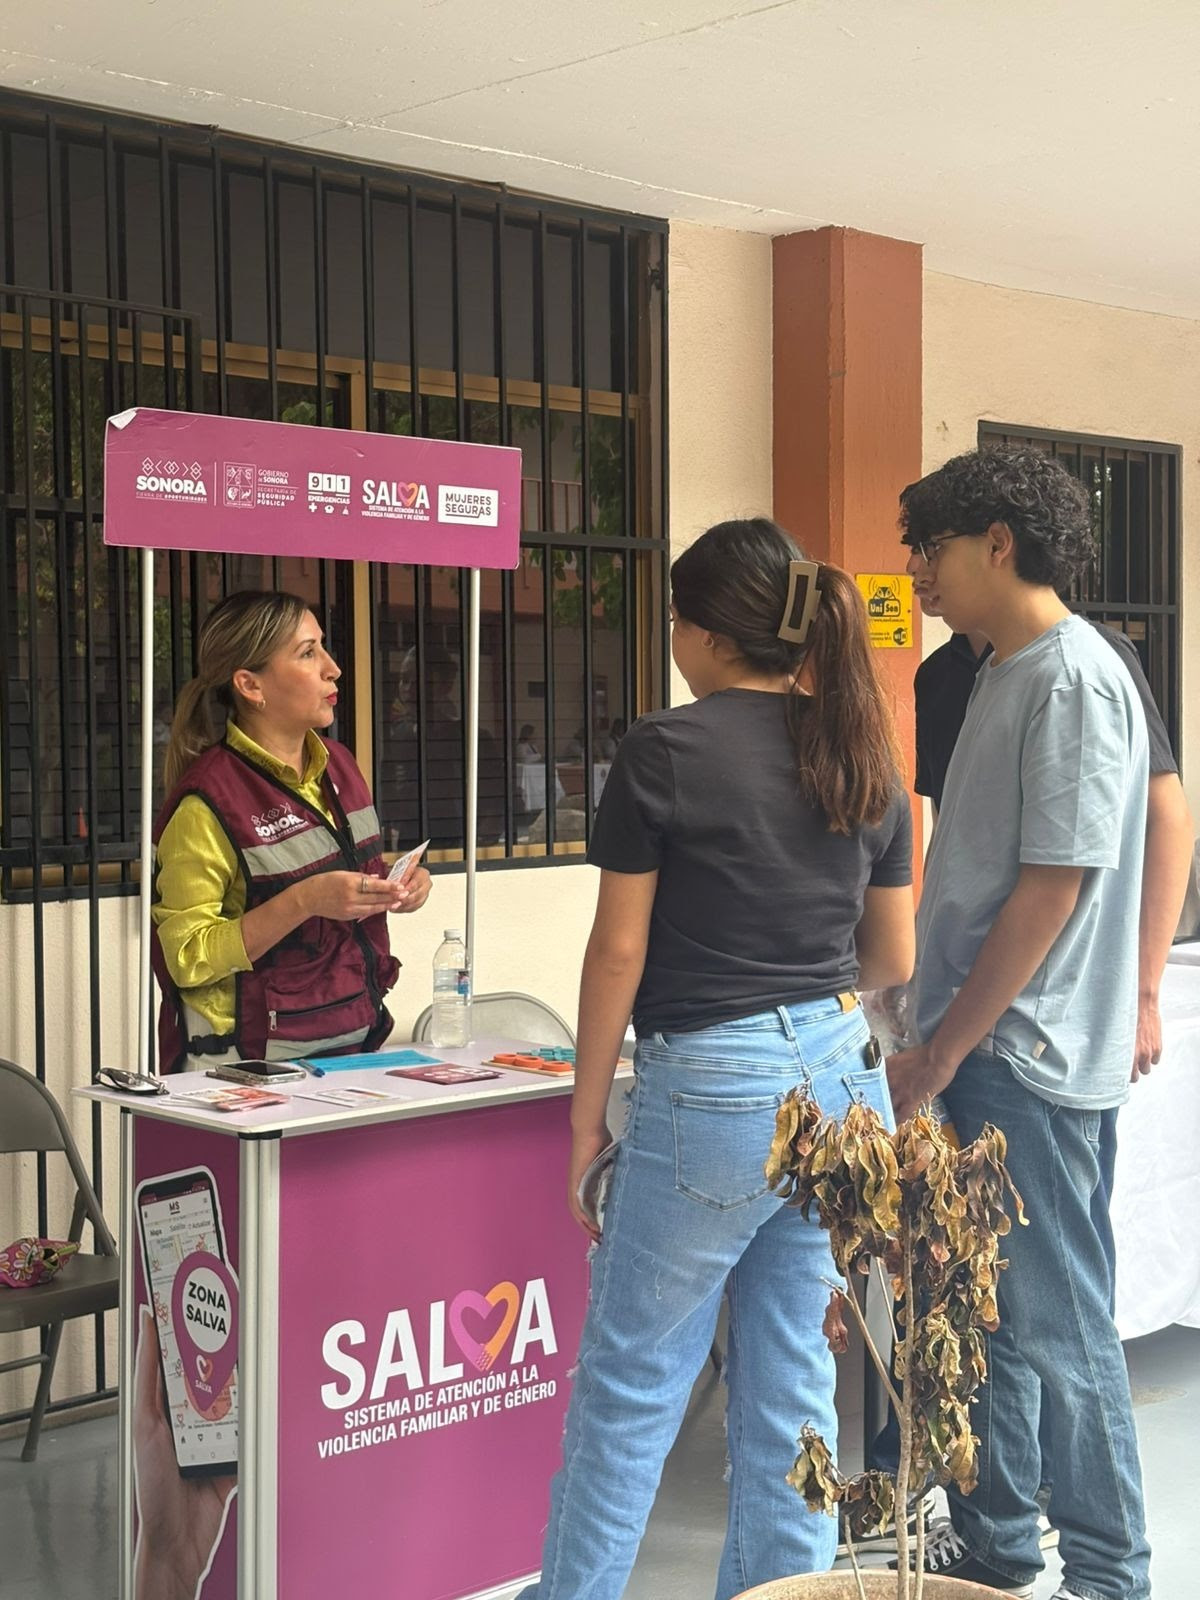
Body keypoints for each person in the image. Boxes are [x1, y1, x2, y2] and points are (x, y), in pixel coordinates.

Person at [518, 518, 915, 1600]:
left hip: (715, 1085)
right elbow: (892, 957)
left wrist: (582, 1119)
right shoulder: (865, 750)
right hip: (842, 1078)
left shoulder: (665, 748)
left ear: (698, 632)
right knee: (792, 1384)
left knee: (631, 1387)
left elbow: (617, 953)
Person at [887, 447, 1152, 1600]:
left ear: (999, 541)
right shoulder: (1002, 669)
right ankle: (997, 1550)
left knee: (1057, 1328)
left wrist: (945, 1045)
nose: (919, 573)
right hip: (978, 1049)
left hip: (1026, 1058)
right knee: (980, 1319)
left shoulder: (1075, 677)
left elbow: (1054, 885)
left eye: (932, 548)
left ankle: (1109, 1573)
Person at [151, 591, 431, 1073]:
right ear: (250, 685)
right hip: (246, 1072)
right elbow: (185, 955)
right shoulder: (207, 801)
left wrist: (399, 884)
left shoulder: (339, 763)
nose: (333, 668)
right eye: (307, 652)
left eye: (323, 646)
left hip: (353, 1049)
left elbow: (350, 876)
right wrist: (304, 901)